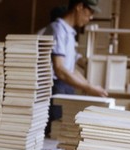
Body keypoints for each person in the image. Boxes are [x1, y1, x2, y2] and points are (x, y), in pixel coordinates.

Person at [43, 0, 108, 136]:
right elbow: (60, 69)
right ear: (79, 6)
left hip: (66, 87)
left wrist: (89, 85)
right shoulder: (57, 29)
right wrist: (88, 88)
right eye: (90, 12)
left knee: (66, 132)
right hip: (56, 88)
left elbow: (71, 70)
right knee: (56, 133)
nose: (91, 17)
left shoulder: (69, 33)